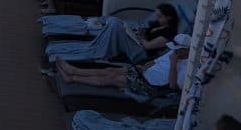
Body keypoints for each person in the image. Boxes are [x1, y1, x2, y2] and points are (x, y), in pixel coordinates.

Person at [54, 34, 192, 96]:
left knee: (112, 78)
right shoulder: (174, 52)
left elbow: (173, 87)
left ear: (187, 50)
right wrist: (144, 67)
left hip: (150, 86)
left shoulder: (187, 67)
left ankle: (73, 78)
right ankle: (73, 69)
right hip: (143, 73)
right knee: (110, 69)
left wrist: (174, 64)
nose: (175, 51)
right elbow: (155, 61)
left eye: (178, 49)